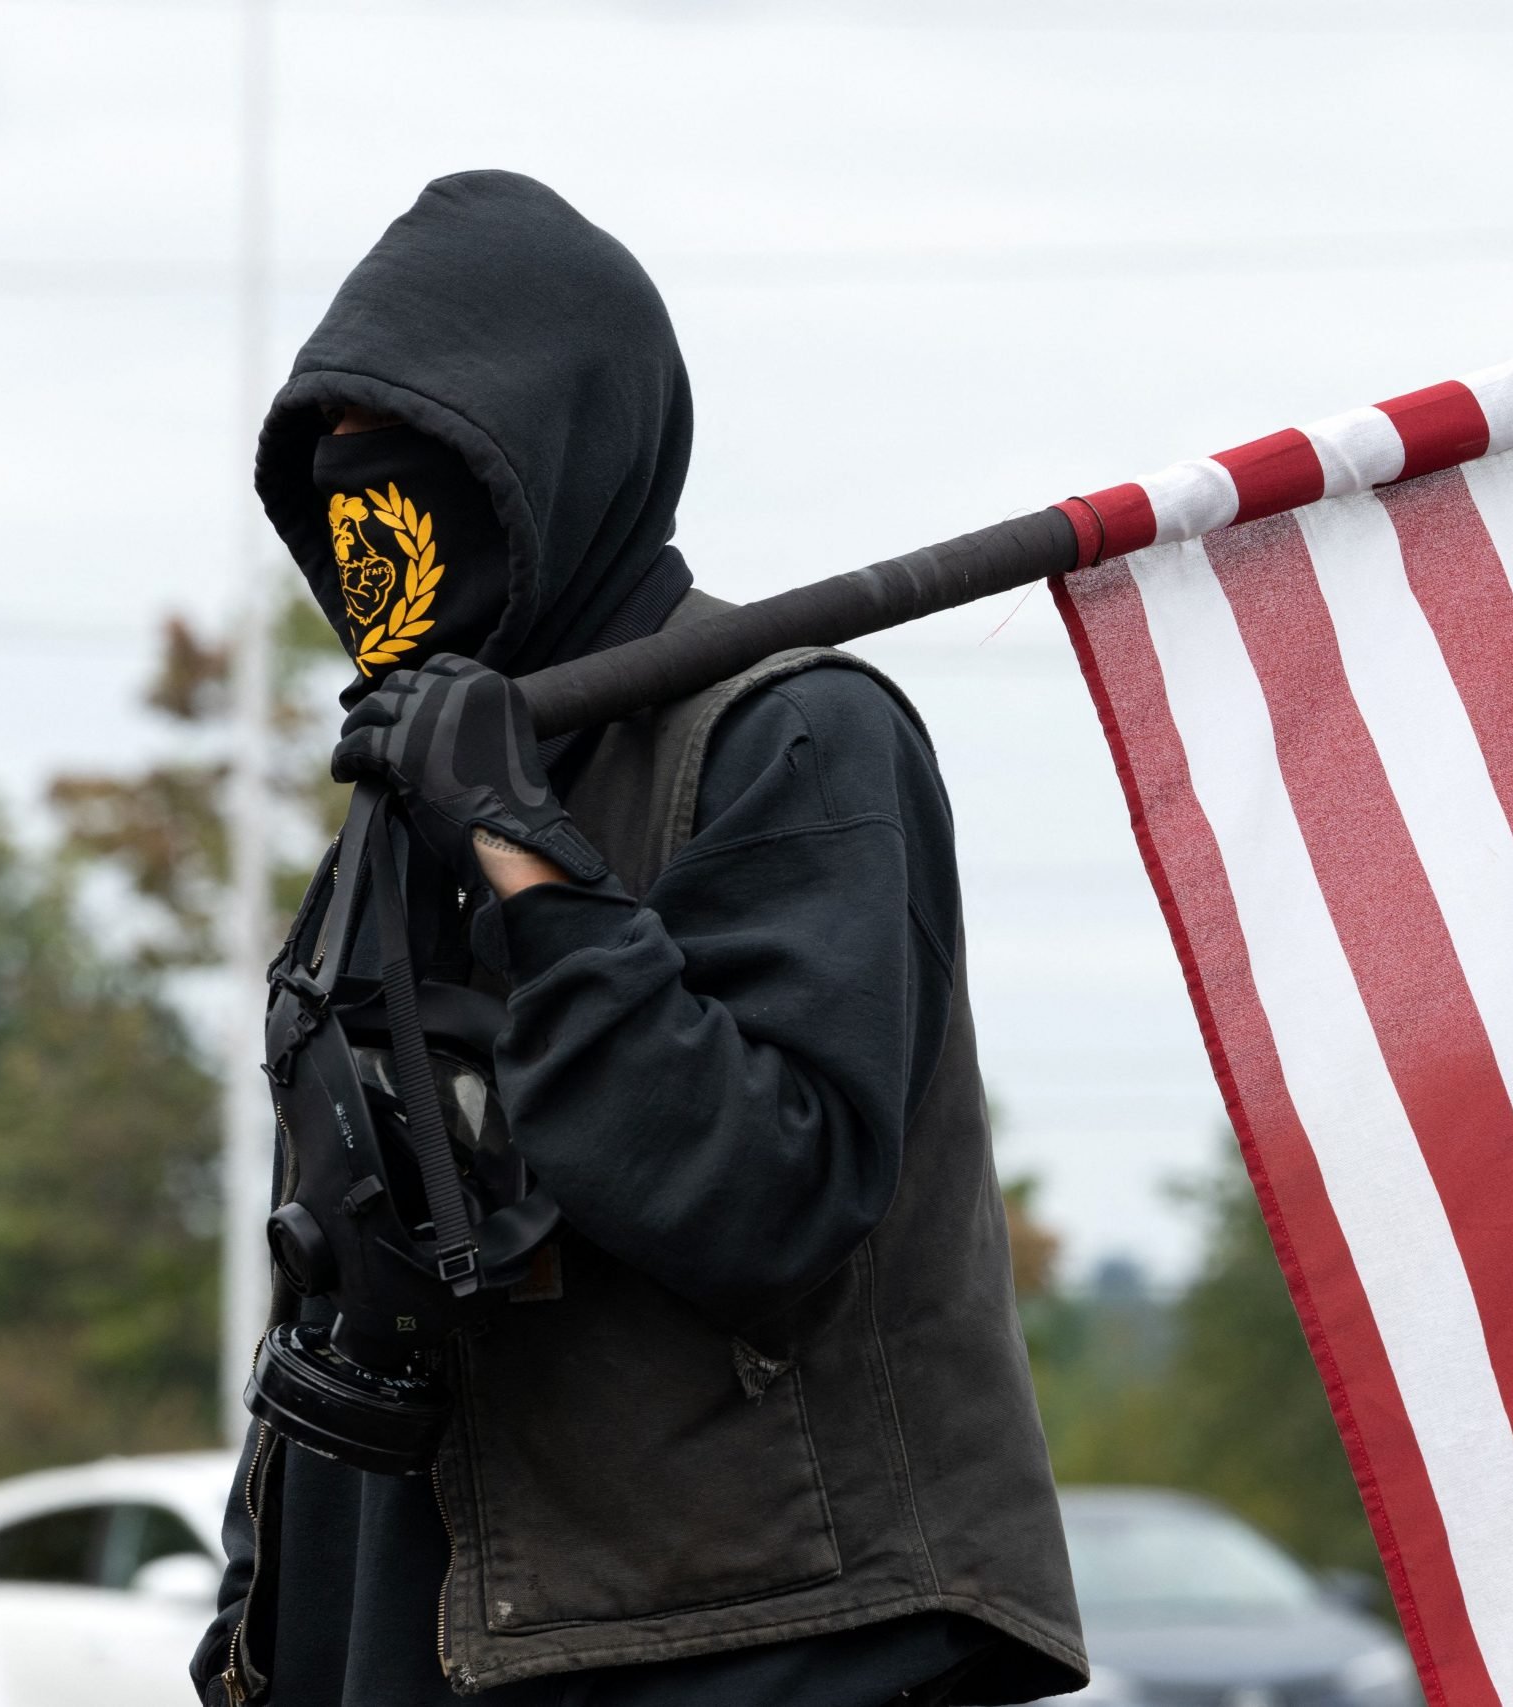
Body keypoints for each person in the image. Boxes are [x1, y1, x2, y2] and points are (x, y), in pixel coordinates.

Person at [193, 170, 1085, 1707]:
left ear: (563, 449)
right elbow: (345, 1270)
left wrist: (529, 860)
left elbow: (769, 1196)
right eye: (329, 466)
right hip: (413, 1640)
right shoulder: (400, 794)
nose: (367, 510)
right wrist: (260, 1626)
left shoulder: (787, 731)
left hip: (749, 1637)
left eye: (414, 458)